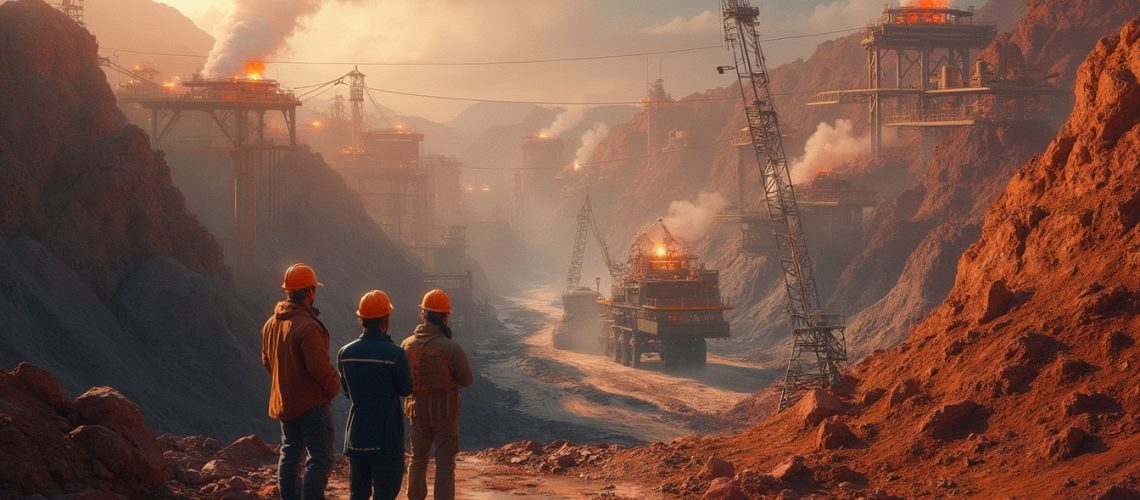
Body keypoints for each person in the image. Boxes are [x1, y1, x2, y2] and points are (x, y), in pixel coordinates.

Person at [261, 263, 340, 500]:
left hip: (285, 402)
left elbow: (267, 361)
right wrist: (333, 387)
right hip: (312, 404)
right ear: (309, 292)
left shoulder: (270, 324)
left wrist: (287, 380)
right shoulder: (307, 327)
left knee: (290, 456)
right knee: (320, 458)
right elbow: (319, 367)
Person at [337, 290, 413, 500]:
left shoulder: (345, 353)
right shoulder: (395, 354)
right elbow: (406, 389)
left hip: (356, 436)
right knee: (385, 492)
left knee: (358, 493)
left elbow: (347, 391)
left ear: (361, 319)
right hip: (386, 436)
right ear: (386, 320)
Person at [401, 289, 473, 500]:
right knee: (444, 464)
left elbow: (402, 381)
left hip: (416, 411)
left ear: (422, 314)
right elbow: (467, 380)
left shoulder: (406, 345)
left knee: (417, 460)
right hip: (445, 413)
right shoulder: (451, 348)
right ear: (445, 316)